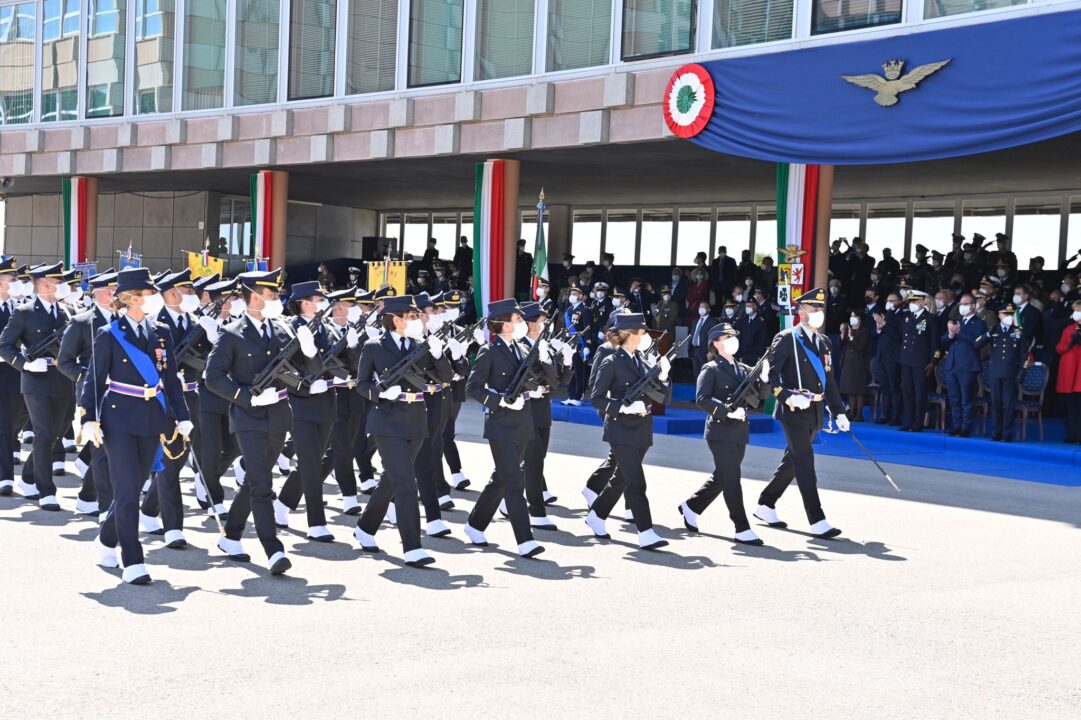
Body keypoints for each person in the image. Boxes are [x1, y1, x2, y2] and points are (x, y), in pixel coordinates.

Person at [77, 267, 191, 585]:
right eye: (148, 294)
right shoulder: (110, 335)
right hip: (119, 420)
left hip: (151, 419)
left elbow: (170, 381)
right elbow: (94, 381)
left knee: (134, 489)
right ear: (130, 299)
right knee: (126, 489)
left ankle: (104, 540)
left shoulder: (161, 335)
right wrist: (88, 417)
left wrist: (182, 416)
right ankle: (133, 561)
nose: (153, 298)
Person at [205, 269, 320, 575]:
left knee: (256, 480)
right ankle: (273, 548)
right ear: (254, 297)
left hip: (279, 415)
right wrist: (246, 397)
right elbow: (212, 377)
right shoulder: (232, 334)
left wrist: (309, 352)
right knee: (263, 485)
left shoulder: (283, 329)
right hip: (249, 418)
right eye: (271, 295)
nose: (276, 300)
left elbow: (309, 372)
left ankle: (231, 536)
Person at [351, 295, 452, 566]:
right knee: (407, 482)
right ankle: (412, 547)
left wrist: (439, 354)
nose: (417, 320)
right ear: (395, 319)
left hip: (416, 418)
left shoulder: (421, 346)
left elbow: (445, 378)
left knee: (392, 480)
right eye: (411, 316)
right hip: (386, 420)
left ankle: (365, 528)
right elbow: (361, 385)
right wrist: (381, 393)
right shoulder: (374, 347)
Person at [755, 288, 848, 539]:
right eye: (812, 309)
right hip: (794, 409)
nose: (817, 313)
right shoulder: (787, 339)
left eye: (820, 309)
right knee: (805, 462)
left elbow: (829, 380)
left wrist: (838, 411)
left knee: (793, 461)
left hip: (815, 410)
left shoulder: (825, 341)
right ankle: (817, 520)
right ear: (800, 311)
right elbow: (771, 377)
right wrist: (787, 396)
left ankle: (765, 504)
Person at [463, 299, 546, 558]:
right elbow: (473, 388)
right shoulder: (489, 351)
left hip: (523, 423)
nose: (523, 323)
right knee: (513, 481)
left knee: (502, 477)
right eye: (518, 319)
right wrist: (500, 400)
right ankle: (525, 540)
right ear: (503, 324)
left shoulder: (523, 349)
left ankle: (475, 524)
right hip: (500, 425)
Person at [585, 312, 672, 549]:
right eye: (642, 331)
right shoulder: (611, 362)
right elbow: (596, 398)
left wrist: (663, 377)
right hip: (620, 429)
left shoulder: (643, 362)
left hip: (642, 428)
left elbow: (663, 396)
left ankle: (596, 515)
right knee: (636, 482)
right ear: (629, 335)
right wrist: (621, 408)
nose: (645, 335)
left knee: (622, 478)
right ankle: (646, 532)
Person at [679, 323, 768, 544]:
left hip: (739, 431)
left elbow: (760, 396)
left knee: (723, 476)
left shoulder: (744, 369)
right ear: (716, 343)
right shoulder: (711, 368)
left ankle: (692, 506)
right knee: (732, 479)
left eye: (733, 336)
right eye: (727, 337)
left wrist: (765, 377)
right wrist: (727, 411)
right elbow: (702, 399)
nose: (732, 340)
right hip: (720, 431)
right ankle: (741, 527)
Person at [0, 263, 74, 509]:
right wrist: (25, 365)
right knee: (43, 433)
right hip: (35, 381)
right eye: (58, 281)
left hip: (62, 379)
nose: (62, 285)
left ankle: (29, 476)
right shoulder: (25, 312)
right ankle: (46, 490)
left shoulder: (66, 312)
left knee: (57, 432)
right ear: (44, 284)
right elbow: (5, 345)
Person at [273, 282, 340, 541]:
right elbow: (283, 366)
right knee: (311, 462)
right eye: (316, 298)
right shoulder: (290, 328)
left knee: (314, 461)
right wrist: (304, 385)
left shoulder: (326, 327)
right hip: (300, 402)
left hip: (326, 401)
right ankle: (316, 523)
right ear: (301, 301)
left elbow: (339, 361)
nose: (321, 302)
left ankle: (283, 503)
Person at [976, 303, 1026, 442]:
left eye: (1010, 314)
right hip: (995, 372)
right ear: (999, 315)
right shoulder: (994, 329)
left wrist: (1022, 371)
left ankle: (1007, 433)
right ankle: (996, 432)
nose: (1008, 317)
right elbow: (977, 344)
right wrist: (987, 333)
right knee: (996, 404)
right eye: (1005, 314)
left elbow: (1024, 354)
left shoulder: (1018, 331)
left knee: (1008, 405)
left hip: (1011, 373)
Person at [939, 294, 986, 437]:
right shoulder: (956, 320)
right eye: (961, 304)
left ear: (972, 305)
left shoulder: (979, 323)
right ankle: (956, 425)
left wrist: (958, 332)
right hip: (952, 365)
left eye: (965, 304)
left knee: (966, 399)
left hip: (967, 366)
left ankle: (966, 427)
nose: (962, 307)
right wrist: (951, 335)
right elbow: (943, 340)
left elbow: (977, 342)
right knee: (954, 398)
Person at [898, 290, 939, 432]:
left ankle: (918, 422)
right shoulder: (907, 317)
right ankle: (908, 420)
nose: (912, 304)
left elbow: (935, 342)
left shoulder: (930, 318)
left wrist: (933, 361)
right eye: (910, 302)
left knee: (919, 393)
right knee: (907, 391)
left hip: (921, 361)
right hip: (906, 359)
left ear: (922, 302)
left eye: (915, 301)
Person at [0, 257, 24, 498]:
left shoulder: (19, 308)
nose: (18, 283)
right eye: (13, 279)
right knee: (5, 425)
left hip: (14, 372)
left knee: (16, 419)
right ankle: (5, 477)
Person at [872, 292, 903, 425]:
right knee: (884, 387)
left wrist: (884, 324)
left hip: (893, 357)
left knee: (894, 387)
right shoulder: (887, 314)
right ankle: (885, 414)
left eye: (893, 300)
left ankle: (895, 416)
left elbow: (898, 336)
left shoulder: (903, 316)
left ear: (900, 301)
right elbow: (875, 335)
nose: (889, 303)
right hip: (881, 356)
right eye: (888, 300)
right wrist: (878, 328)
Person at [561, 283, 594, 406]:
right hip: (571, 343)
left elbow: (588, 329)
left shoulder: (585, 310)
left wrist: (587, 346)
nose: (572, 296)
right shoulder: (569, 310)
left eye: (575, 294)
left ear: (582, 296)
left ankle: (578, 396)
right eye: (571, 294)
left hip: (581, 344)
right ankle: (571, 394)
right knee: (572, 370)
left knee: (580, 371)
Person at [839, 309, 872, 421]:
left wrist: (851, 337)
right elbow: (841, 346)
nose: (852, 318)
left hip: (859, 362)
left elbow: (860, 347)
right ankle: (852, 412)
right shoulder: (848, 329)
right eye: (851, 316)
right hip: (847, 362)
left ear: (859, 318)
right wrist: (843, 335)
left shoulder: (864, 331)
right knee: (850, 390)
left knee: (859, 390)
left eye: (855, 316)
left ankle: (859, 413)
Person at [1056, 301, 1081, 444]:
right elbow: (1059, 348)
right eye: (1074, 310)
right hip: (1070, 372)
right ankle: (1072, 434)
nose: (1075, 313)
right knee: (1071, 406)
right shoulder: (1069, 329)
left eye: (1078, 310)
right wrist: (1070, 342)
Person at [689, 301, 718, 377]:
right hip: (695, 350)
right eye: (700, 307)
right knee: (696, 373)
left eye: (703, 307)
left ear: (709, 309)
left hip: (705, 351)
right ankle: (698, 388)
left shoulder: (713, 321)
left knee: (706, 374)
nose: (701, 309)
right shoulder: (695, 321)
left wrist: (711, 351)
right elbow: (692, 334)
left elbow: (715, 337)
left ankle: (706, 388)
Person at [736, 297, 769, 363]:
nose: (747, 308)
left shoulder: (761, 321)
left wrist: (760, 356)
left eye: (749, 306)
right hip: (744, 356)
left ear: (755, 306)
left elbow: (762, 340)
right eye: (746, 306)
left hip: (756, 356)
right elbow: (739, 339)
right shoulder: (743, 321)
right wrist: (739, 356)